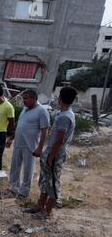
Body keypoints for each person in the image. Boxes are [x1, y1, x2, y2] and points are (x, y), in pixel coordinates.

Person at [25, 86, 77, 219]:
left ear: (60, 99)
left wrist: (51, 157)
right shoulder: (65, 113)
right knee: (45, 181)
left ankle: (47, 212)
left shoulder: (64, 117)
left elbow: (60, 140)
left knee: (53, 183)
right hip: (51, 152)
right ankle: (39, 206)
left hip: (55, 154)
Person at [7, 89, 50, 200]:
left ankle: (24, 192)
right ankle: (13, 188)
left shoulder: (42, 111)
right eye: (23, 98)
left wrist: (40, 148)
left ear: (34, 98)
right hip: (18, 143)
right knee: (15, 167)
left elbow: (45, 130)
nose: (23, 101)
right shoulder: (25, 109)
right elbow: (20, 125)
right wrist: (11, 139)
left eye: (25, 98)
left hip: (30, 145)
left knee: (28, 170)